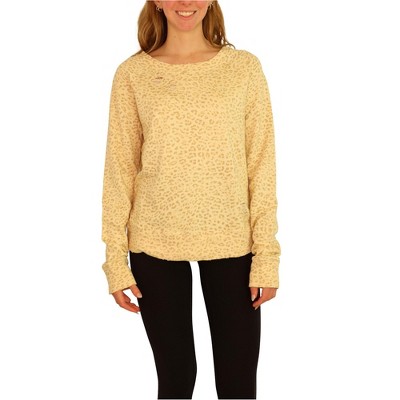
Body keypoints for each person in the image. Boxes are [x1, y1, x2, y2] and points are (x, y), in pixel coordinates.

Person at [101, 1, 281, 398]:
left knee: (238, 385)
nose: (186, 3)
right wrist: (115, 262)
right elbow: (119, 170)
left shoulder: (243, 68)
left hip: (231, 238)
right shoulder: (133, 74)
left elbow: (261, 165)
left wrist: (267, 256)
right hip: (154, 239)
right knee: (176, 379)